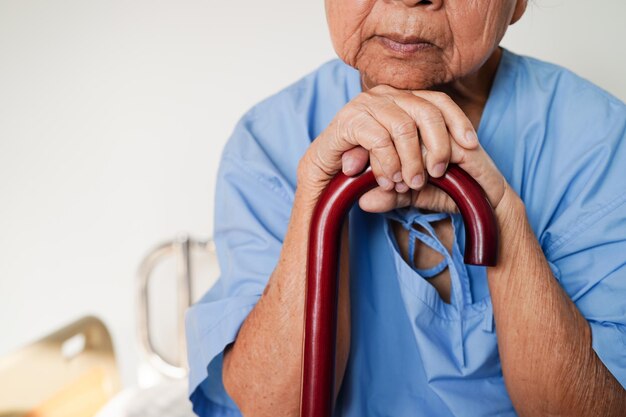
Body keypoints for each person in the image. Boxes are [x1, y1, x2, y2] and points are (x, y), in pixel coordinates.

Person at [185, 1, 626, 415]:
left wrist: (503, 216)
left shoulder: (598, 141)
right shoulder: (268, 142)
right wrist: (318, 199)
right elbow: (272, 407)